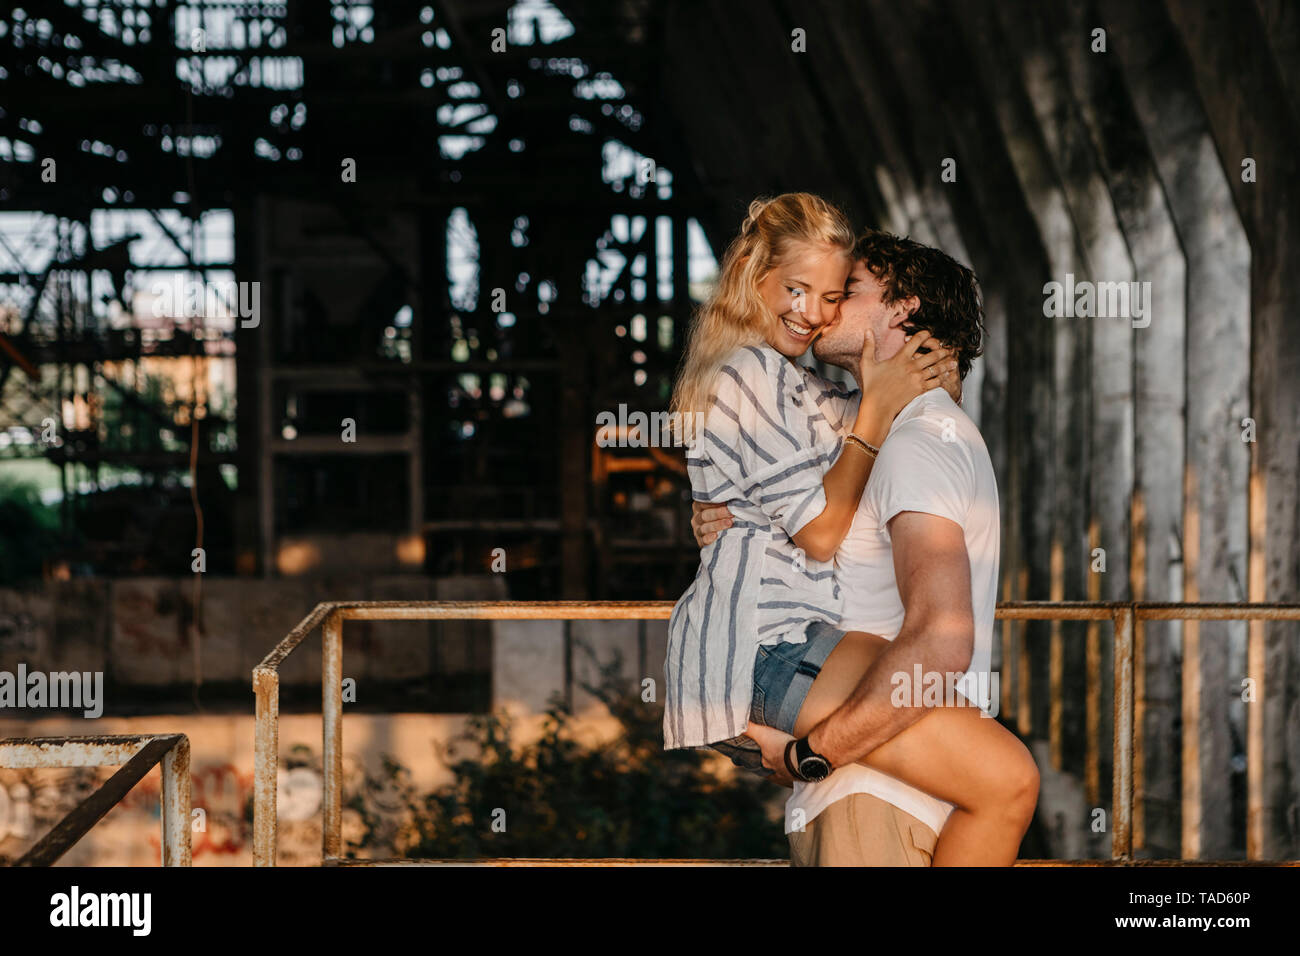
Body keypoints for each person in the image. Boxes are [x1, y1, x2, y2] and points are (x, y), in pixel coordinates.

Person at [670, 212, 1039, 865]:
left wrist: (810, 755)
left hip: (879, 792)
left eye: (851, 289)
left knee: (1010, 780)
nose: (827, 304)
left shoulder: (916, 442)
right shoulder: (904, 437)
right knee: (1009, 781)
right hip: (877, 791)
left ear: (903, 311)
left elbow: (941, 637)